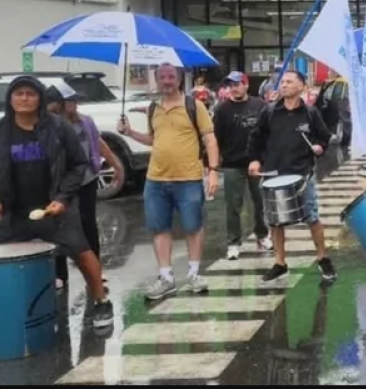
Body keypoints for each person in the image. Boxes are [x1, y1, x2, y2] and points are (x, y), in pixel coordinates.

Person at [0, 76, 114, 329]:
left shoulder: (58, 127)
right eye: (19, 94)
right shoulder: (2, 130)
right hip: (15, 211)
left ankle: (101, 301)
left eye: (31, 93)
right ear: (10, 99)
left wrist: (62, 199)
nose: (24, 98)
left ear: (40, 98)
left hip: (55, 207)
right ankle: (12, 314)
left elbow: (78, 165)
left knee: (82, 253)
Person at [119, 64, 220, 301]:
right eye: (162, 77)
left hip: (189, 178)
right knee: (159, 228)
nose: (166, 81)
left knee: (193, 226)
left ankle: (194, 274)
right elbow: (154, 140)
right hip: (156, 179)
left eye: (171, 77)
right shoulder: (153, 108)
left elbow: (210, 139)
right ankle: (166, 278)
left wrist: (213, 171)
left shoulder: (193, 106)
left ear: (179, 79)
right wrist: (129, 132)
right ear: (156, 80)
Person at [249, 71, 337, 285]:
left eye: (290, 82)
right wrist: (254, 160)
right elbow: (256, 137)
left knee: (312, 217)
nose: (284, 85)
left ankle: (323, 258)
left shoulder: (310, 113)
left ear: (302, 87)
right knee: (275, 221)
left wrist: (320, 147)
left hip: (302, 173)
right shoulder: (269, 112)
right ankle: (280, 263)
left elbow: (324, 136)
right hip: (274, 173)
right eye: (283, 82)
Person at [45, 85, 125, 289]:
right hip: (61, 184)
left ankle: (96, 272)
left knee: (89, 226)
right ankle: (60, 276)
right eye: (71, 101)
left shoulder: (85, 122)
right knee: (58, 228)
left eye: (75, 100)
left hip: (86, 180)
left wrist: (115, 164)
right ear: (60, 104)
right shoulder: (51, 125)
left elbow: (98, 143)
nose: (75, 104)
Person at [213, 72, 272, 261]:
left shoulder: (260, 105)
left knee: (260, 202)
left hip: (256, 162)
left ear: (246, 85)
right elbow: (215, 138)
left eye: (238, 84)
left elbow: (269, 131)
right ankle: (233, 242)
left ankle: (262, 235)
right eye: (230, 85)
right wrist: (214, 164)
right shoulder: (222, 110)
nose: (234, 88)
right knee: (233, 206)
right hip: (232, 164)